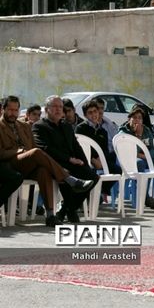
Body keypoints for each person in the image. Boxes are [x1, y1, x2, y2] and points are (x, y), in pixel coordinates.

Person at [0, 95, 93, 226]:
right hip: (10, 165)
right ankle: (69, 179)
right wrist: (19, 151)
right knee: (37, 152)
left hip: (28, 163)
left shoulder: (24, 126)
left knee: (43, 170)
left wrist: (30, 153)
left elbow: (33, 147)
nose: (13, 113)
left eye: (16, 110)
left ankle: (50, 215)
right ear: (3, 110)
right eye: (10, 110)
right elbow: (1, 153)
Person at [32, 96, 98, 224]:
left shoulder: (66, 126)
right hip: (53, 164)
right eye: (54, 107)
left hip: (71, 162)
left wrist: (84, 163)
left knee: (92, 177)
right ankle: (69, 211)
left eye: (60, 107)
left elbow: (76, 147)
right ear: (47, 109)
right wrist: (69, 159)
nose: (58, 110)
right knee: (67, 175)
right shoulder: (39, 126)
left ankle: (66, 209)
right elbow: (44, 148)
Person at [75, 100, 121, 197]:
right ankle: (92, 192)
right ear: (85, 115)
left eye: (95, 111)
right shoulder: (81, 128)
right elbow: (78, 148)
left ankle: (100, 190)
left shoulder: (102, 131)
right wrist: (92, 160)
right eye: (90, 112)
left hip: (99, 160)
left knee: (118, 170)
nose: (94, 114)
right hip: (85, 160)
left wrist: (100, 160)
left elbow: (104, 149)